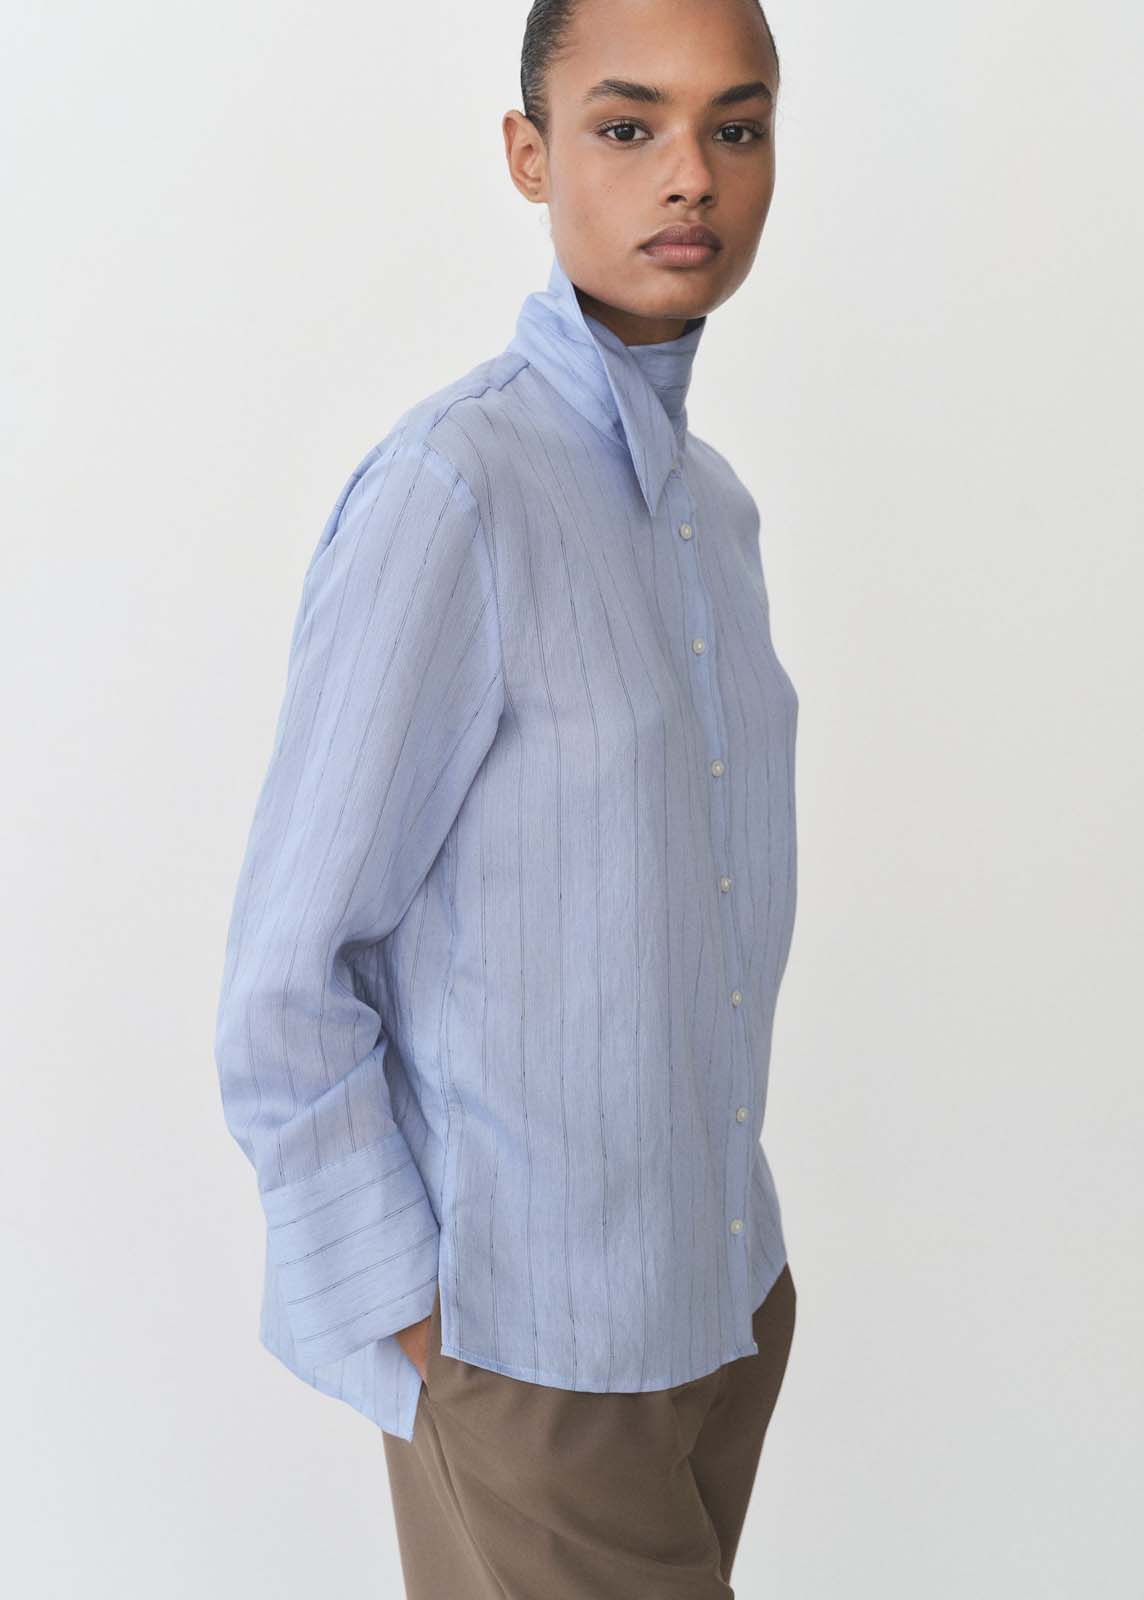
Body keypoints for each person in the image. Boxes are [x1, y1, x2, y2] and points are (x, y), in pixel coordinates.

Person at [213, 0, 798, 1592]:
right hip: (534, 1350)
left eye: (736, 128)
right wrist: (420, 1324)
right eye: (628, 127)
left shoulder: (716, 515)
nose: (691, 175)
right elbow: (288, 975)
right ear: (531, 157)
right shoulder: (454, 492)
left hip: (722, 1309)